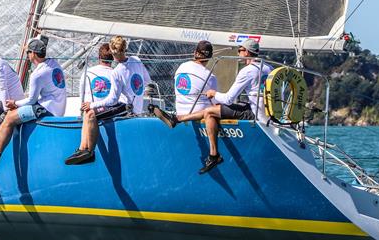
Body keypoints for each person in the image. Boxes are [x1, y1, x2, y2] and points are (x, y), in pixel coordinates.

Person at [152, 39, 272, 174]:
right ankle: (212, 153)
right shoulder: (268, 68)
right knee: (213, 111)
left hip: (255, 113)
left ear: (247, 52)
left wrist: (213, 93)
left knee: (209, 111)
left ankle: (178, 120)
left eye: (240, 49)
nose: (238, 52)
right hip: (268, 114)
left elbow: (228, 99)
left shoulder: (247, 71)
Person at [0, 37, 67, 169]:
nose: (27, 56)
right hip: (58, 106)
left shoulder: (37, 74)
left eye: (28, 53)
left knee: (10, 118)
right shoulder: (54, 63)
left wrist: (15, 103)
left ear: (33, 54)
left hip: (46, 108)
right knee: (10, 116)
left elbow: (31, 100)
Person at [65, 36, 140, 165]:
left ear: (99, 57)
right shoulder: (121, 69)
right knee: (89, 113)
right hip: (117, 107)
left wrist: (91, 104)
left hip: (112, 107)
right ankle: (83, 149)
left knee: (88, 113)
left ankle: (87, 150)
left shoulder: (90, 72)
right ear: (112, 58)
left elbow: (83, 95)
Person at [151, 40, 217, 122]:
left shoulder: (181, 67)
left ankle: (175, 119)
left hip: (180, 112)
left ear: (195, 53)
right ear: (210, 57)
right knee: (219, 108)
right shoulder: (210, 77)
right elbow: (215, 102)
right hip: (199, 117)